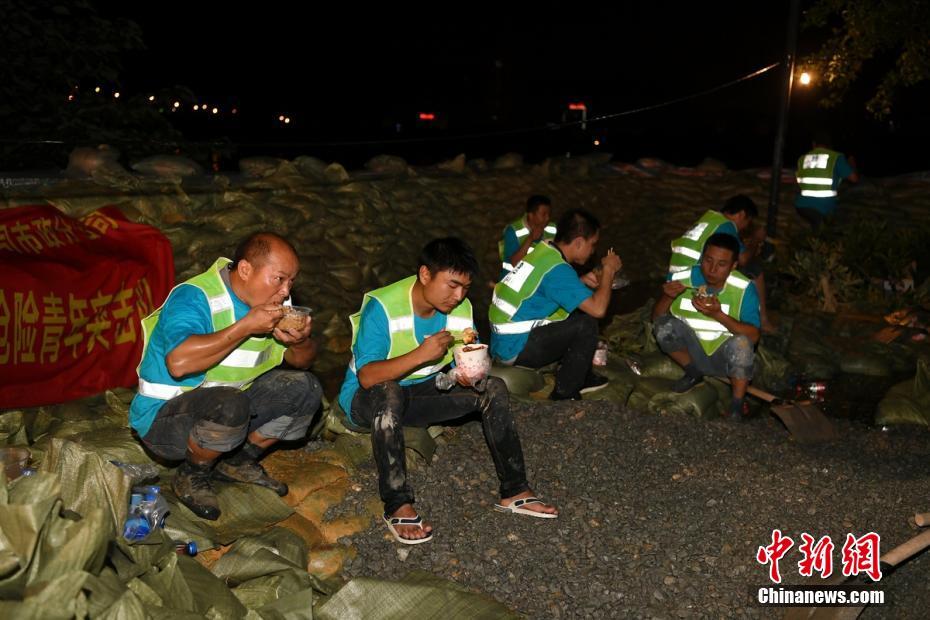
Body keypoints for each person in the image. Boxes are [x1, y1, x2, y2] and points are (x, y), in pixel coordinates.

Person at [337, 237, 558, 544]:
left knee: (493, 388)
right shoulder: (383, 308)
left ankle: (515, 490)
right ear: (425, 274)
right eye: (452, 285)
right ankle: (397, 503)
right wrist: (420, 355)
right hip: (368, 400)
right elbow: (367, 377)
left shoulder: (461, 310)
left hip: (418, 394)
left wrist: (469, 373)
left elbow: (467, 355)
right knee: (389, 391)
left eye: (465, 288)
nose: (459, 296)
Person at [130, 232, 322, 520]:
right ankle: (191, 474)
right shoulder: (196, 297)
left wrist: (299, 340)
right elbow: (179, 363)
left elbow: (304, 362)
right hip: (164, 420)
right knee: (229, 403)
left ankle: (236, 460)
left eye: (291, 281)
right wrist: (246, 326)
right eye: (279, 279)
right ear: (245, 270)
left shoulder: (274, 307)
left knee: (305, 388)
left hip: (229, 409)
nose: (285, 291)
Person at [489, 208, 621, 401]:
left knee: (578, 309)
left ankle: (581, 374)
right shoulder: (558, 269)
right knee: (586, 324)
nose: (593, 251)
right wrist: (608, 270)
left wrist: (580, 281)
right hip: (516, 347)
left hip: (503, 341)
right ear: (578, 243)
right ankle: (565, 393)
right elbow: (598, 310)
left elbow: (545, 286)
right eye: (592, 245)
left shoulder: (544, 251)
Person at [652, 233, 761, 422]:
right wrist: (667, 297)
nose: (712, 269)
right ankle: (693, 372)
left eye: (721, 264)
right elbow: (656, 319)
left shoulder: (743, 288)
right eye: (708, 260)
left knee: (742, 344)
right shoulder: (681, 278)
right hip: (692, 352)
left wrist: (718, 315)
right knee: (663, 326)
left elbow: (754, 336)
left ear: (733, 265)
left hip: (725, 358)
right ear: (701, 258)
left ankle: (736, 405)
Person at [668, 195, 774, 332]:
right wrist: (756, 239)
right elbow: (743, 259)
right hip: (692, 275)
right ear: (742, 214)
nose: (746, 227)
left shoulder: (710, 220)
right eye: (748, 222)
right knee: (755, 270)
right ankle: (762, 321)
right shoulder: (726, 225)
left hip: (676, 274)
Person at [795, 131, 859, 231]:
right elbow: (854, 179)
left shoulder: (802, 158)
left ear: (813, 144)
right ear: (830, 145)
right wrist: (852, 165)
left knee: (817, 232)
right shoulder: (836, 157)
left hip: (801, 205)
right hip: (824, 208)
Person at [499, 194, 558, 279]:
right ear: (531, 215)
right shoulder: (513, 231)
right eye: (544, 214)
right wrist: (530, 239)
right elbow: (515, 263)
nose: (547, 218)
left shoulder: (553, 228)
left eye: (549, 214)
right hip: (512, 283)